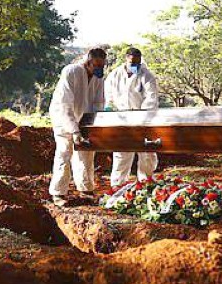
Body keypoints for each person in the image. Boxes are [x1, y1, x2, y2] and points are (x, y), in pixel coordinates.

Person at [48, 48, 107, 206]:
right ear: (87, 62)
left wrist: (96, 126)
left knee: (87, 153)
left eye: (102, 66)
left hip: (86, 119)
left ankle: (86, 189)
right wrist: (74, 130)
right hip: (63, 117)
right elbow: (64, 105)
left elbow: (99, 103)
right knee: (64, 152)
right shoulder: (71, 72)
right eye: (96, 65)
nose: (99, 69)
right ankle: (58, 193)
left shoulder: (99, 77)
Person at [105, 47, 159, 186]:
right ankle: (117, 186)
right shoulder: (115, 75)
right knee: (121, 153)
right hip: (121, 118)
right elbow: (108, 95)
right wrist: (109, 108)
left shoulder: (147, 75)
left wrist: (142, 116)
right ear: (126, 59)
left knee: (147, 153)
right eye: (132, 63)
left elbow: (151, 97)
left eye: (137, 63)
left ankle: (146, 184)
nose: (135, 65)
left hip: (143, 118)